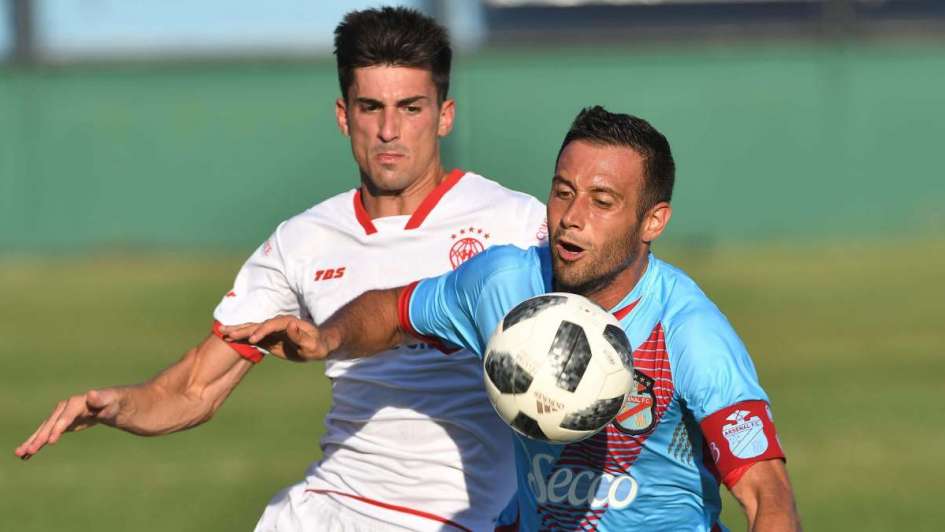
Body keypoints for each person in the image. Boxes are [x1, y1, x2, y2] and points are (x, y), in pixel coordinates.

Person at [15, 7, 548, 531]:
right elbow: (198, 387)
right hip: (327, 508)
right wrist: (122, 407)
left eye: (410, 108)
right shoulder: (303, 240)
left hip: (461, 516)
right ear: (344, 116)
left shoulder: (515, 223)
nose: (389, 130)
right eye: (370, 108)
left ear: (445, 115)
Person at [223, 106, 803, 531]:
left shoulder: (688, 329)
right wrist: (328, 337)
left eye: (603, 203)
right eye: (563, 192)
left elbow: (768, 497)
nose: (571, 219)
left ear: (653, 221)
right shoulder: (503, 281)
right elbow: (392, 308)